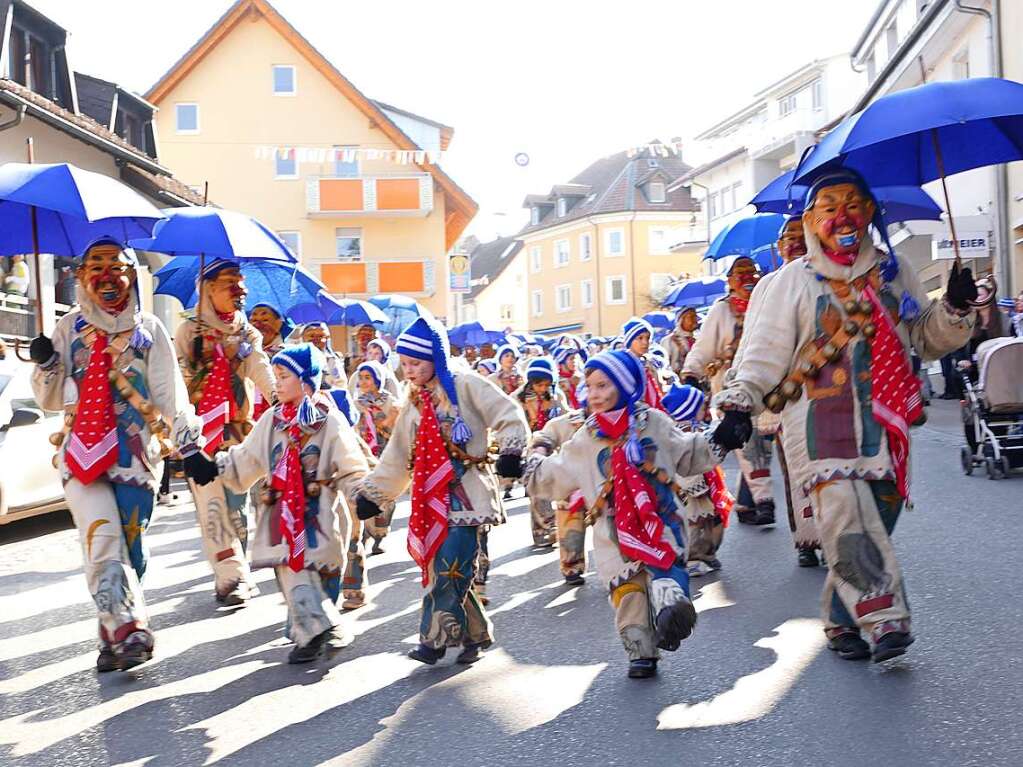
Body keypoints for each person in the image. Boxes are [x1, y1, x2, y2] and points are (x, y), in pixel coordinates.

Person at [713, 169, 977, 663]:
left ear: (871, 211)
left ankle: (839, 617)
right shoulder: (788, 282)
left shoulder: (894, 271)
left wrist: (955, 307)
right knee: (844, 514)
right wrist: (739, 402)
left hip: (886, 420)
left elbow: (925, 337)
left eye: (853, 204)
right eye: (829, 206)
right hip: (817, 421)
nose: (842, 216)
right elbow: (763, 355)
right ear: (812, 220)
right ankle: (883, 619)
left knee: (877, 513)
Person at [29, 238, 202, 672]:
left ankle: (111, 631)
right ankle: (129, 629)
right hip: (81, 453)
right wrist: (46, 361)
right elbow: (50, 399)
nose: (107, 276)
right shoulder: (67, 329)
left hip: (137, 457)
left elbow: (169, 393)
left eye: (117, 266)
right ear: (81, 276)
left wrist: (190, 444)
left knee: (130, 548)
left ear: (131, 275)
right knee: (102, 536)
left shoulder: (149, 330)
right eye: (96, 266)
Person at [524, 350, 732, 678]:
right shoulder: (586, 437)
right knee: (628, 592)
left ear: (624, 386)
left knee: (666, 579)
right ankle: (641, 651)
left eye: (603, 385)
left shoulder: (654, 423)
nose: (594, 394)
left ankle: (672, 618)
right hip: (613, 531)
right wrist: (530, 466)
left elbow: (688, 452)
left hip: (661, 521)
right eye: (589, 386)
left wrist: (720, 437)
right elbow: (559, 472)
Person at [353, 317, 528, 666]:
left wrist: (512, 451)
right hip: (429, 500)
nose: (409, 371)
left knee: (451, 569)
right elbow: (399, 454)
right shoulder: (415, 403)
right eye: (403, 365)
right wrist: (374, 493)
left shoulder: (465, 385)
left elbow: (507, 412)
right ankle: (476, 634)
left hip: (468, 498)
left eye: (415, 363)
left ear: (436, 358)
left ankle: (433, 640)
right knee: (446, 569)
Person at [185, 343, 370, 662]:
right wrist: (212, 465)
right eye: (276, 375)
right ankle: (315, 634)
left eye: (284, 376)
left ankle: (320, 629)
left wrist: (363, 495)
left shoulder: (329, 420)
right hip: (281, 513)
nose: (277, 382)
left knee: (320, 575)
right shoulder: (272, 419)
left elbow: (350, 464)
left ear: (306, 381)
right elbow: (248, 457)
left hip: (319, 512)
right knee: (291, 573)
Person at [175, 259, 276, 607]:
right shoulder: (188, 330)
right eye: (231, 282)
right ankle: (230, 576)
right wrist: (199, 362)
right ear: (209, 289)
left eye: (241, 282)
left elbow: (259, 366)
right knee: (211, 507)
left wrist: (278, 398)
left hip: (237, 429)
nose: (241, 290)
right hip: (201, 433)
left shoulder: (248, 333)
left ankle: (240, 569)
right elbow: (177, 382)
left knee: (237, 505)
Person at [735, 216, 822, 566]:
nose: (795, 242)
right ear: (779, 245)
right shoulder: (768, 284)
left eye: (802, 236)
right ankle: (806, 539)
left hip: (831, 391)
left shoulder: (826, 273)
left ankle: (835, 539)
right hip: (786, 393)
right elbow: (754, 341)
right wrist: (739, 390)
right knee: (797, 468)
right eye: (788, 237)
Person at [683, 256, 776, 526]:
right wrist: (691, 375)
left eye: (752, 272)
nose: (747, 277)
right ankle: (764, 500)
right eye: (741, 273)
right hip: (731, 385)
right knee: (749, 442)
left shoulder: (767, 303)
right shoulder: (720, 311)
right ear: (730, 281)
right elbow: (703, 347)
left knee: (760, 444)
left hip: (766, 383)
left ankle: (746, 503)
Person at [661, 383, 733, 576]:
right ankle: (694, 558)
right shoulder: (682, 434)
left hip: (708, 485)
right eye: (701, 408)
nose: (704, 411)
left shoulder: (698, 428)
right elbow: (684, 465)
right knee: (696, 524)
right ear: (689, 409)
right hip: (693, 492)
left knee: (712, 523)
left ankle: (708, 554)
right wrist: (694, 486)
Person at [529, 383, 591, 585]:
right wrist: (540, 451)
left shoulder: (621, 419)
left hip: (606, 485)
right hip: (572, 483)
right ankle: (571, 565)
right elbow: (547, 435)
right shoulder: (569, 422)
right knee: (569, 522)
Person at [515, 356, 568, 548]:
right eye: (539, 384)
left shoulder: (557, 397)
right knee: (537, 486)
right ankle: (546, 527)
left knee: (555, 486)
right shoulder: (518, 398)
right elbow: (514, 423)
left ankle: (552, 525)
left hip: (552, 445)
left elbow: (565, 417)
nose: (542, 389)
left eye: (547, 384)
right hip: (531, 446)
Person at [248, 303, 293, 420]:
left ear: (278, 324)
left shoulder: (288, 354)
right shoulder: (243, 352)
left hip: (276, 411)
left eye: (265, 319)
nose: (258, 325)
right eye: (253, 320)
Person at [622, 317, 665, 410]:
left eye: (648, 338)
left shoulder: (652, 363)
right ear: (629, 340)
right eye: (640, 338)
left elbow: (659, 389)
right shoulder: (624, 365)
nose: (645, 342)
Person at [302, 322, 348, 389]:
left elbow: (340, 385)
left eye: (320, 336)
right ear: (303, 338)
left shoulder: (331, 361)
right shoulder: (296, 359)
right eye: (311, 336)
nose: (316, 339)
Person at [667, 307, 699, 377]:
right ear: (681, 320)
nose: (695, 320)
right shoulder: (669, 341)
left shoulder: (698, 339)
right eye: (691, 317)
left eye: (695, 316)